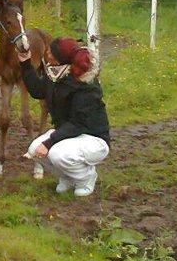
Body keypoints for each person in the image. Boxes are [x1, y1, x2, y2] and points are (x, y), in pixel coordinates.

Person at [16, 37, 110, 197]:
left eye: (51, 52)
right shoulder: (55, 74)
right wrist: (25, 63)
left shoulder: (85, 85)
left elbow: (78, 123)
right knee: (34, 150)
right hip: (68, 133)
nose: (47, 53)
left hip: (92, 137)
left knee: (56, 153)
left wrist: (49, 142)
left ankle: (87, 178)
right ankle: (67, 177)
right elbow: (38, 90)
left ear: (60, 57)